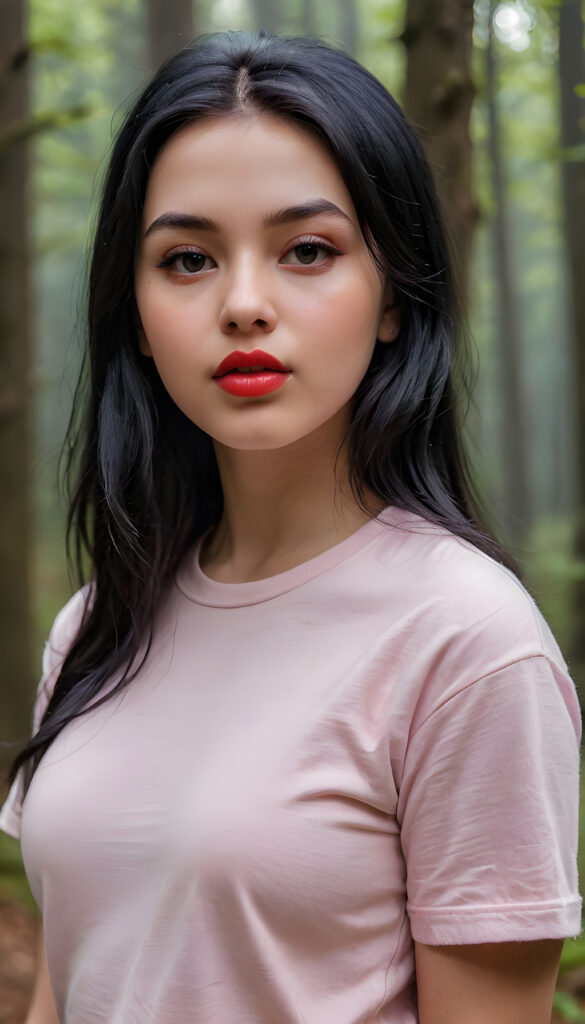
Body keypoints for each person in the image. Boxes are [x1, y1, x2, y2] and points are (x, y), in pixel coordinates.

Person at [0, 29, 580, 1024]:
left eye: (308, 250)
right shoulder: (97, 627)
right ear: (134, 314)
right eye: (187, 259)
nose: (244, 304)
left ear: (394, 291)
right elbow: (68, 982)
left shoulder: (467, 643)